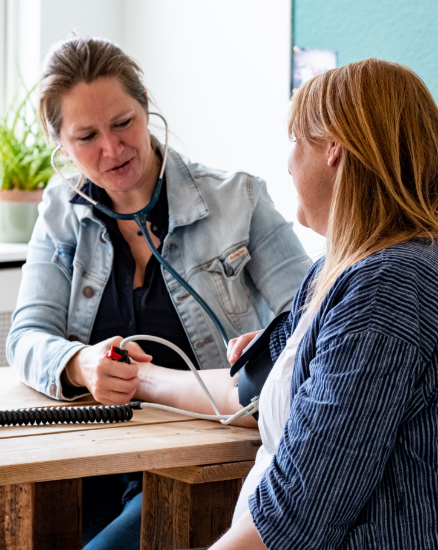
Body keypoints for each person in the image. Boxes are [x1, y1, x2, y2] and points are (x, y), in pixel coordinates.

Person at [134, 58, 438, 550]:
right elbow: (249, 391)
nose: (289, 162)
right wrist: (142, 380)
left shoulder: (390, 288)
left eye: (296, 141)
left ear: (334, 148)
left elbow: (296, 518)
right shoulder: (349, 268)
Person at [6, 36, 311, 550]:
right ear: (60, 144)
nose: (112, 148)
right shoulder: (61, 212)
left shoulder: (240, 199)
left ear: (145, 106)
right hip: (93, 454)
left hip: (198, 466)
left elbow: (313, 325)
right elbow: (26, 337)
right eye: (86, 136)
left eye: (123, 123)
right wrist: (79, 364)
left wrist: (263, 351)